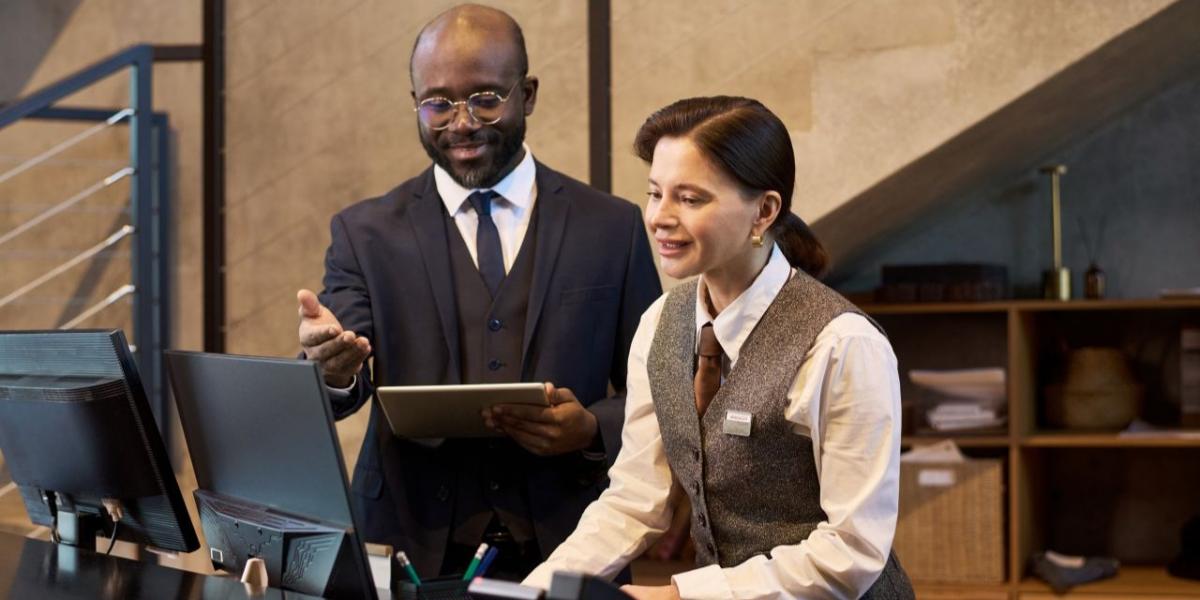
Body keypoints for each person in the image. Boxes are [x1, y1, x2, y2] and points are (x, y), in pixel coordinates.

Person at [294, 4, 660, 581]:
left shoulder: (611, 227)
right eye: (437, 103)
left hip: (573, 541)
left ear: (528, 94)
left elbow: (656, 388)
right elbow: (342, 381)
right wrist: (333, 367)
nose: (460, 123)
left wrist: (592, 428)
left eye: (486, 98)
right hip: (413, 546)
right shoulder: (364, 232)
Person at [523, 96, 915, 599]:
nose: (660, 218)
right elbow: (635, 499)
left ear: (764, 211)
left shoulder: (844, 345)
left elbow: (853, 551)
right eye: (655, 193)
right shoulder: (660, 323)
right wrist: (538, 591)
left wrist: (678, 596)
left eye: (690, 199)